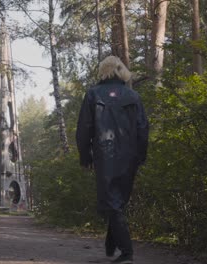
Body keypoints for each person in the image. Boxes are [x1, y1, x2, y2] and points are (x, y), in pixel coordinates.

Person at [76, 56, 149, 264]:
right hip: (130, 155)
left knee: (112, 202)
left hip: (104, 154)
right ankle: (111, 244)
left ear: (103, 71)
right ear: (121, 70)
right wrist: (141, 155)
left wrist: (85, 155)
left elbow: (84, 129)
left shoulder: (93, 94)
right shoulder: (133, 96)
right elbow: (143, 129)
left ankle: (127, 253)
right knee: (117, 200)